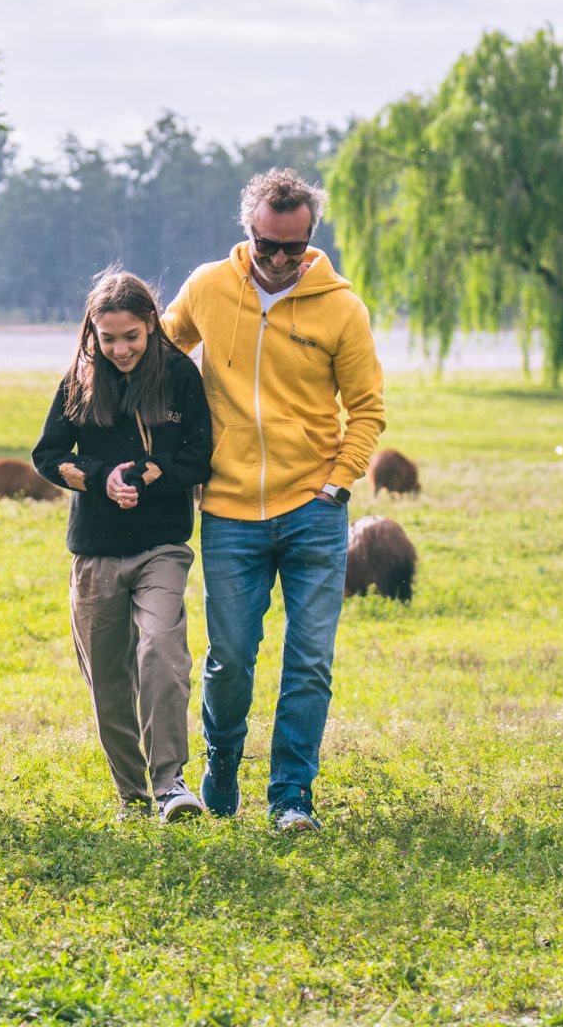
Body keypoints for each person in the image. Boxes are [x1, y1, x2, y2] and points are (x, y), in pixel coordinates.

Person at [160, 168, 385, 833]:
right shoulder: (207, 287)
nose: (282, 260)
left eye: (295, 246)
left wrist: (338, 481)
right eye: (268, 247)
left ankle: (291, 796)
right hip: (228, 510)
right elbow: (157, 354)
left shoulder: (341, 307)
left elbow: (367, 408)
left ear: (310, 237)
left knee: (309, 660)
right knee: (229, 657)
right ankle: (221, 767)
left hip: (314, 509)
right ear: (248, 234)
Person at [32, 270, 213, 823]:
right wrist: (99, 476)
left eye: (131, 336)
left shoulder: (180, 375)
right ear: (93, 333)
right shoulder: (80, 379)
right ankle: (134, 796)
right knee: (108, 680)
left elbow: (200, 456)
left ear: (151, 324)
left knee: (160, 649)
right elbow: (48, 454)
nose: (120, 348)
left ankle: (170, 783)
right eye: (107, 338)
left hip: (161, 546)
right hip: (95, 551)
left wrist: (157, 471)